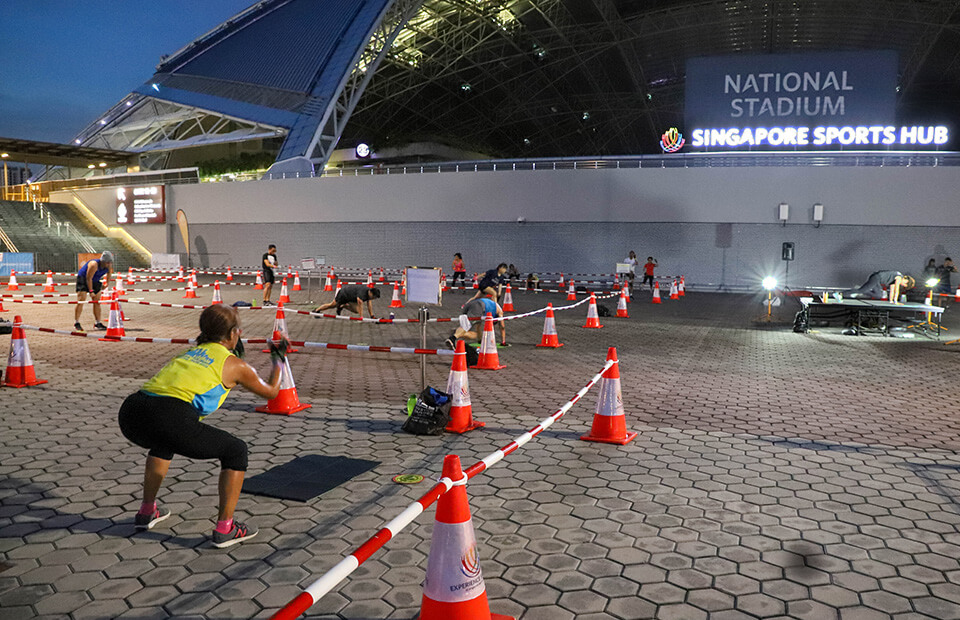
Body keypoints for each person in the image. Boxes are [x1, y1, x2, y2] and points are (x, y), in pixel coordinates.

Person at [118, 305, 285, 548]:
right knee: (236, 450)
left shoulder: (189, 353)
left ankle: (147, 511)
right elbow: (271, 391)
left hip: (132, 412)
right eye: (238, 330)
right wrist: (278, 359)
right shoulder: (235, 364)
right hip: (170, 416)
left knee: (163, 442)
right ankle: (226, 529)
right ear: (232, 334)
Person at [75, 251, 113, 331]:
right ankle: (76, 322)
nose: (109, 264)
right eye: (107, 263)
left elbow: (109, 273)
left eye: (110, 262)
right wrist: (91, 291)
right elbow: (88, 278)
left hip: (95, 280)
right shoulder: (94, 264)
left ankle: (97, 323)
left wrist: (107, 284)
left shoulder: (108, 266)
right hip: (83, 279)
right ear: (103, 261)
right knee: (81, 300)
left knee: (97, 301)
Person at [313, 285, 380, 318]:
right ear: (371, 293)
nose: (373, 299)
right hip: (344, 294)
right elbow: (360, 305)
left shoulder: (369, 295)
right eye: (374, 297)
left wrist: (372, 316)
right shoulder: (362, 293)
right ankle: (316, 310)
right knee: (332, 305)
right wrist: (361, 317)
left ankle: (343, 306)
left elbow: (369, 306)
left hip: (352, 298)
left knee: (356, 311)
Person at [845, 270, 915, 299]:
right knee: (861, 290)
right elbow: (896, 290)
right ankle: (841, 294)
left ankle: (863, 289)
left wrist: (891, 301)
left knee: (879, 295)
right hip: (876, 277)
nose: (902, 285)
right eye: (904, 284)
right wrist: (896, 301)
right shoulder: (899, 278)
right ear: (906, 280)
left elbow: (892, 290)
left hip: (878, 281)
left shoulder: (897, 277)